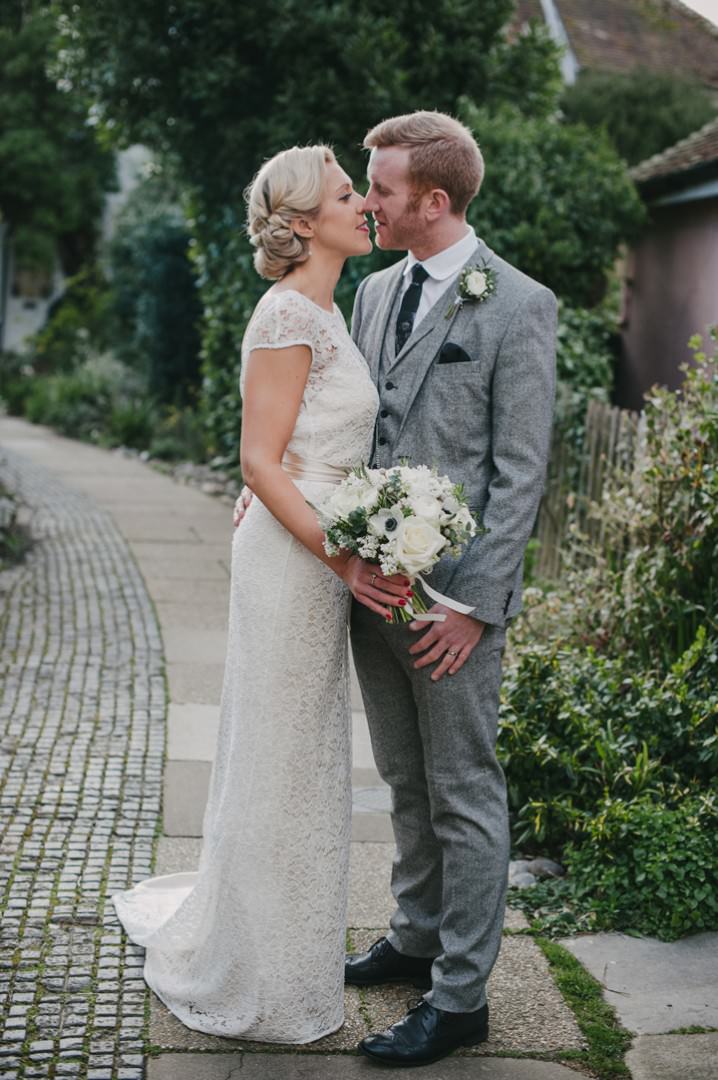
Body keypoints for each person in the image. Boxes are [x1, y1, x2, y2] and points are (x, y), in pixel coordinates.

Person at [235, 110, 557, 1068]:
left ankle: (461, 999)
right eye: (360, 187)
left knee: (463, 787)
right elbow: (336, 429)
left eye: (379, 189)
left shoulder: (519, 306)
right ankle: (416, 938)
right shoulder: (370, 293)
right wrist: (278, 499)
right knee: (406, 782)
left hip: (454, 606)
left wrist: (476, 606)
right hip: (371, 591)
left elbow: (520, 472)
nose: (367, 202)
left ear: (435, 200)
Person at [112, 144, 411, 1043]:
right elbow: (258, 458)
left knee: (300, 756)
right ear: (305, 221)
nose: (362, 204)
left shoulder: (327, 309)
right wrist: (344, 558)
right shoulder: (287, 315)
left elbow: (309, 449)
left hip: (310, 549)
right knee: (281, 754)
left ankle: (282, 948)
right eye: (347, 193)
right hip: (296, 562)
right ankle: (257, 967)